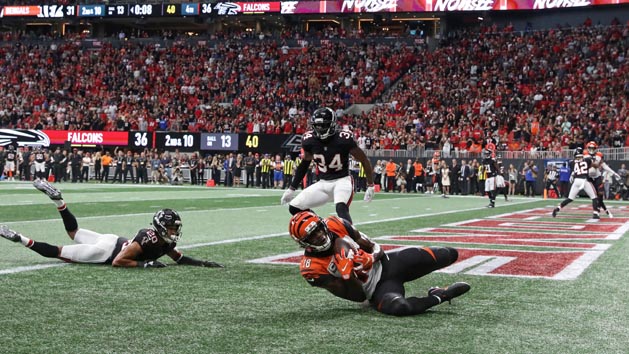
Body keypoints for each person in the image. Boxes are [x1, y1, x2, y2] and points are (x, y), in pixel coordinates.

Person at [0, 180, 224, 268]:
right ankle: (18, 237)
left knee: (74, 232)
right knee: (59, 252)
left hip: (111, 240)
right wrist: (145, 265)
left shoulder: (163, 241)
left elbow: (180, 258)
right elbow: (119, 261)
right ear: (163, 227)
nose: (175, 231)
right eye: (173, 228)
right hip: (104, 252)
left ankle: (59, 201)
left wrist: (202, 263)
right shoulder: (150, 238)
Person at [288, 210, 470, 316]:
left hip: (388, 263)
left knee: (449, 254)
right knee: (400, 307)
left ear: (323, 224)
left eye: (319, 229)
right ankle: (441, 295)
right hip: (375, 290)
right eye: (312, 235)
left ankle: (435, 287)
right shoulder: (312, 268)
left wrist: (371, 257)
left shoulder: (336, 223)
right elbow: (358, 297)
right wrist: (348, 273)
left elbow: (376, 247)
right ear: (304, 243)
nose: (319, 236)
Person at [280, 107, 374, 224]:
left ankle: (352, 238)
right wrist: (291, 188)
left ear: (332, 124)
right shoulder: (309, 140)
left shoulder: (343, 139)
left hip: (342, 180)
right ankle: (321, 227)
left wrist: (370, 185)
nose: (319, 129)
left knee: (341, 209)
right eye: (317, 126)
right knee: (294, 207)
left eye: (323, 125)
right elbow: (305, 164)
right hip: (323, 183)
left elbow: (364, 160)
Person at [552, 147, 600, 219]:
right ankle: (595, 213)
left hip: (576, 180)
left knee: (570, 198)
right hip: (584, 180)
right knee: (594, 197)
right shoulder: (587, 160)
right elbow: (594, 166)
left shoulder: (571, 162)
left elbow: (576, 167)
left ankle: (558, 208)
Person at [584, 141, 620, 217]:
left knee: (600, 196)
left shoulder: (599, 155)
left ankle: (604, 210)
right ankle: (597, 212)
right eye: (590, 148)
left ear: (595, 148)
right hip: (589, 177)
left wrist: (614, 173)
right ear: (587, 148)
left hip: (597, 177)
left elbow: (604, 166)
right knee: (594, 196)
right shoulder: (584, 155)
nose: (591, 149)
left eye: (593, 148)